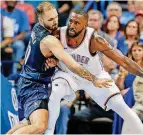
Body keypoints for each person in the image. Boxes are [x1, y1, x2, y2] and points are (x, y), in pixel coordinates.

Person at [45, 9, 143, 134]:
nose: (72, 25)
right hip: (69, 75)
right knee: (55, 92)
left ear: (85, 25)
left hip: (96, 78)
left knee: (123, 109)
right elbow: (42, 53)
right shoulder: (58, 34)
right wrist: (50, 59)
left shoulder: (95, 40)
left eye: (76, 23)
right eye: (70, 21)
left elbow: (123, 61)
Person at [6, 2, 111, 134]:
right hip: (34, 85)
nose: (55, 21)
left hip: (31, 81)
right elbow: (73, 65)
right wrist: (94, 79)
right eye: (50, 19)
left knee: (29, 122)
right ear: (40, 20)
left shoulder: (38, 27)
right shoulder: (50, 40)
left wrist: (54, 60)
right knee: (39, 126)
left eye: (56, 17)